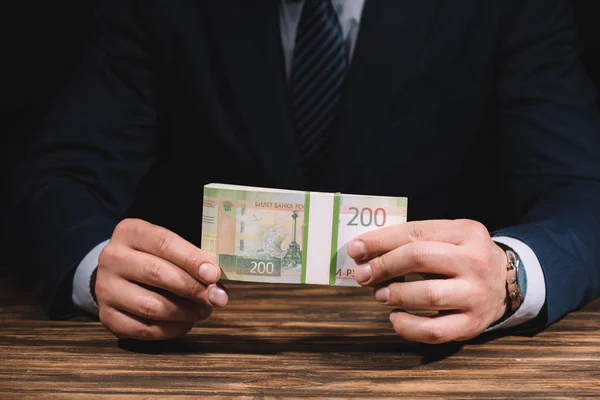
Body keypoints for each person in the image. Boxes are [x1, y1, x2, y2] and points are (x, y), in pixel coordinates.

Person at [7, 0, 600, 343]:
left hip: (414, 348)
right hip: (210, 343)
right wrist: (94, 268)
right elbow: (54, 181)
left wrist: (510, 275)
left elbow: (583, 191)